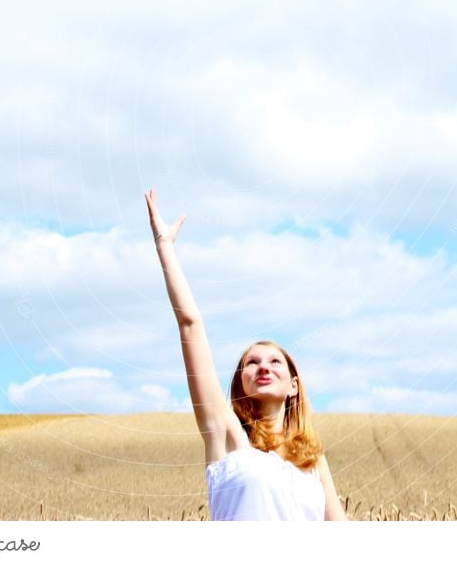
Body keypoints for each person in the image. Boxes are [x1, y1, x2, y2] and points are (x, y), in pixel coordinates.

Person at [144, 188, 347, 521]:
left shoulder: (312, 460)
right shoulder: (227, 438)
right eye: (251, 363)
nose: (263, 367)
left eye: (274, 361)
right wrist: (165, 247)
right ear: (240, 384)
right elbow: (190, 324)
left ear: (294, 385)